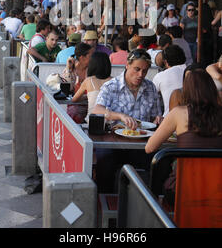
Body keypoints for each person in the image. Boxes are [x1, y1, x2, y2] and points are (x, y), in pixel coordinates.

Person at [145, 69, 222, 205]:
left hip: (182, 189)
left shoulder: (178, 113)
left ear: (187, 90)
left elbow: (150, 147)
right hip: (218, 188)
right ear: (212, 89)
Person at [92, 49, 163, 192]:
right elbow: (96, 110)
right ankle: (104, 203)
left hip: (142, 143)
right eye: (136, 69)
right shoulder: (111, 86)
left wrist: (158, 119)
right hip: (113, 142)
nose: (140, 75)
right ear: (127, 65)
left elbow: (154, 117)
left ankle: (151, 205)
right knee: (104, 163)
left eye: (144, 71)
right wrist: (119, 116)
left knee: (160, 163)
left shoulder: (150, 88)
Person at [72, 52, 112, 122]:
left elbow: (74, 99)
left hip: (91, 122)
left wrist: (87, 96)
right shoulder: (114, 81)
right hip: (110, 122)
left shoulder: (88, 81)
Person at [152, 44, 186, 116]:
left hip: (169, 118)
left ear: (166, 62)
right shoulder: (190, 71)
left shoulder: (160, 76)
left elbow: (151, 95)